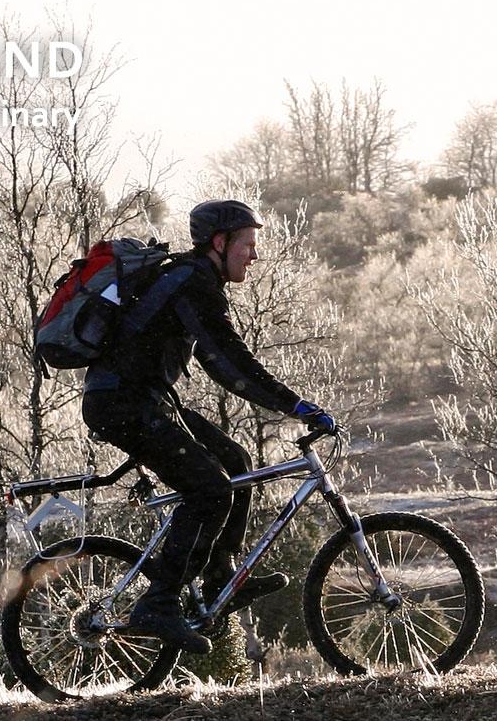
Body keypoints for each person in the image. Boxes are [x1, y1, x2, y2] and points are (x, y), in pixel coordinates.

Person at [82, 199, 337, 654]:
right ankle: (158, 603)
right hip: (123, 404)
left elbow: (219, 361)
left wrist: (288, 404)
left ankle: (224, 575)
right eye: (247, 245)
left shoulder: (188, 280)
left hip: (146, 400)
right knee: (211, 490)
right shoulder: (192, 283)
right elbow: (230, 362)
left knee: (235, 462)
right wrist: (296, 406)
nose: (254, 256)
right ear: (220, 243)